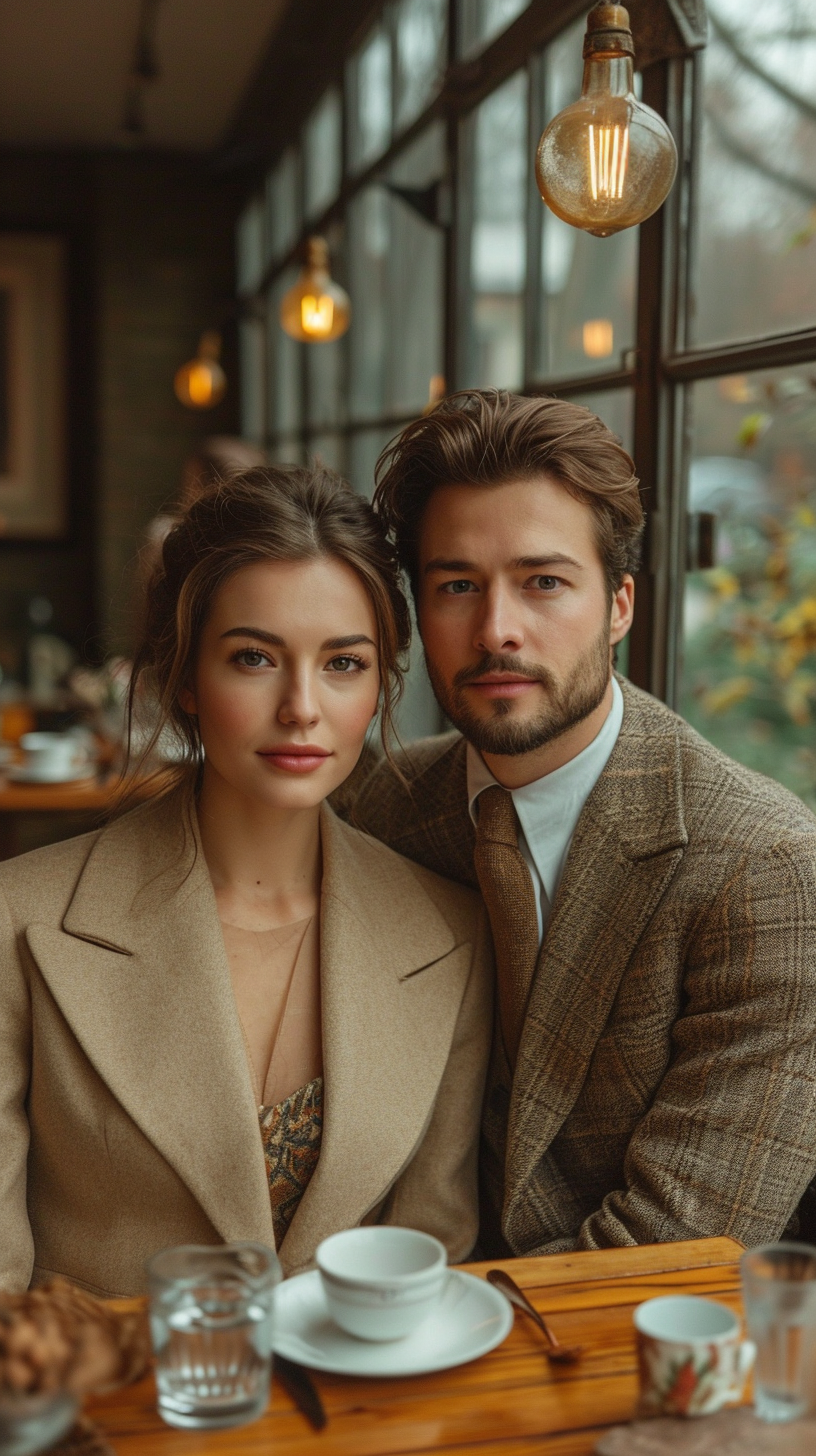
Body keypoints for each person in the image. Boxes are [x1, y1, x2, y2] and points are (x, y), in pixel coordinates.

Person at [0, 466, 492, 1295]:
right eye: (255, 657)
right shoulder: (19, 922)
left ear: (380, 686)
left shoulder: (451, 935)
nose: (301, 706)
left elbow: (428, 1263)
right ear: (187, 678)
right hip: (91, 1409)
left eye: (343, 664)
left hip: (352, 1416)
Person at [350, 389, 816, 1257]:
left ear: (620, 605)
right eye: (458, 585)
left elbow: (674, 1251)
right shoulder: (376, 807)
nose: (498, 630)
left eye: (544, 583)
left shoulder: (764, 868)